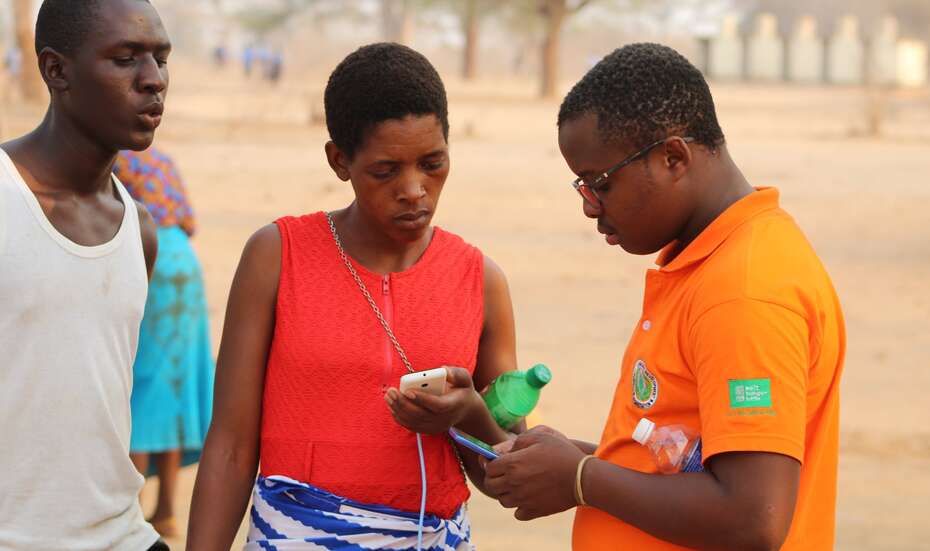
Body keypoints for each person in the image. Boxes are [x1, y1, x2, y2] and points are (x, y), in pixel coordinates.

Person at [484, 42, 846, 551]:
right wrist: (574, 461)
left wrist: (583, 478)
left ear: (673, 157)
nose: (590, 208)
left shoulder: (745, 291)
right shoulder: (709, 260)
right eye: (580, 188)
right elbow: (690, 461)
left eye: (599, 184)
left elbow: (751, 517)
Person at [187, 42, 518, 550]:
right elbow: (231, 446)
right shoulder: (277, 257)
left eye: (433, 163)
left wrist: (469, 412)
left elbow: (504, 475)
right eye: (386, 171)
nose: (414, 189)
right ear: (339, 160)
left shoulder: (480, 280)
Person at [0, 1, 172, 550]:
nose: (153, 80)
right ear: (57, 71)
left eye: (160, 58)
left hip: (122, 536)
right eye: (125, 59)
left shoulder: (138, 230)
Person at [112, 146, 215, 539]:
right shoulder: (161, 159)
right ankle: (168, 511)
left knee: (143, 387)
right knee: (174, 387)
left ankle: (129, 512)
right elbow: (189, 220)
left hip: (148, 257)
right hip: (184, 262)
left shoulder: (110, 158)